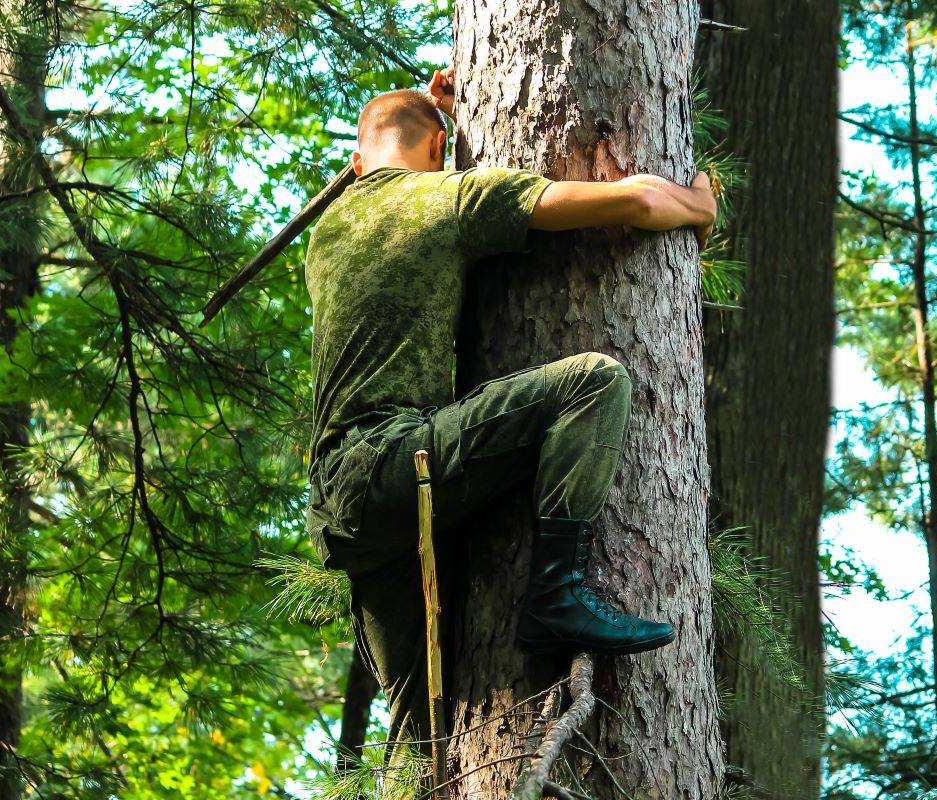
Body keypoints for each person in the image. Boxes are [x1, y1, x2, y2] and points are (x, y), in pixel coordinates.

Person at [303, 66, 718, 768]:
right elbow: (639, 200)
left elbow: (393, 165)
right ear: (440, 150)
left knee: (420, 745)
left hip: (340, 510)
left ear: (355, 162)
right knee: (595, 382)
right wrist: (700, 203)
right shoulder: (449, 198)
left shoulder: (328, 231)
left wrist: (436, 114)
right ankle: (557, 593)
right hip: (398, 465)